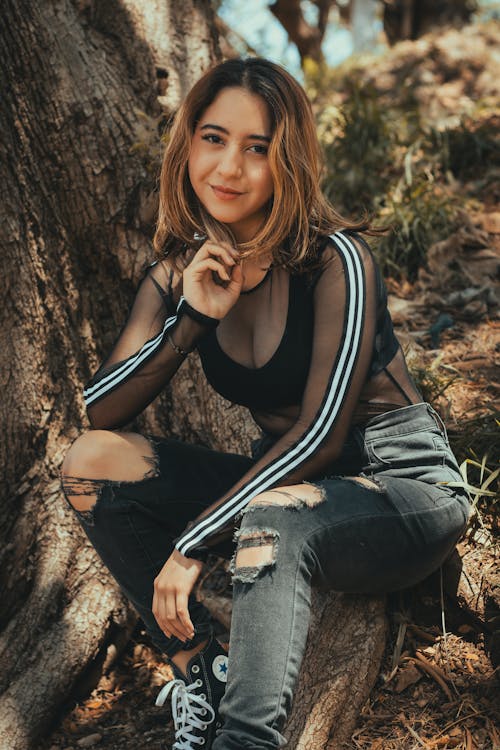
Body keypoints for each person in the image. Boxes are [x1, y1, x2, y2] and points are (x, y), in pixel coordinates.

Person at [61, 57, 471, 750]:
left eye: (259, 149)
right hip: (288, 488)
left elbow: (321, 436)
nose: (229, 167)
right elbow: (102, 412)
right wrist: (188, 320)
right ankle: (202, 671)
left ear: (290, 162)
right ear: (188, 143)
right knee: (90, 462)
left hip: (400, 484)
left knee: (274, 515)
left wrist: (193, 543)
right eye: (214, 138)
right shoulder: (180, 272)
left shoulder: (339, 261)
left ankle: (245, 741)